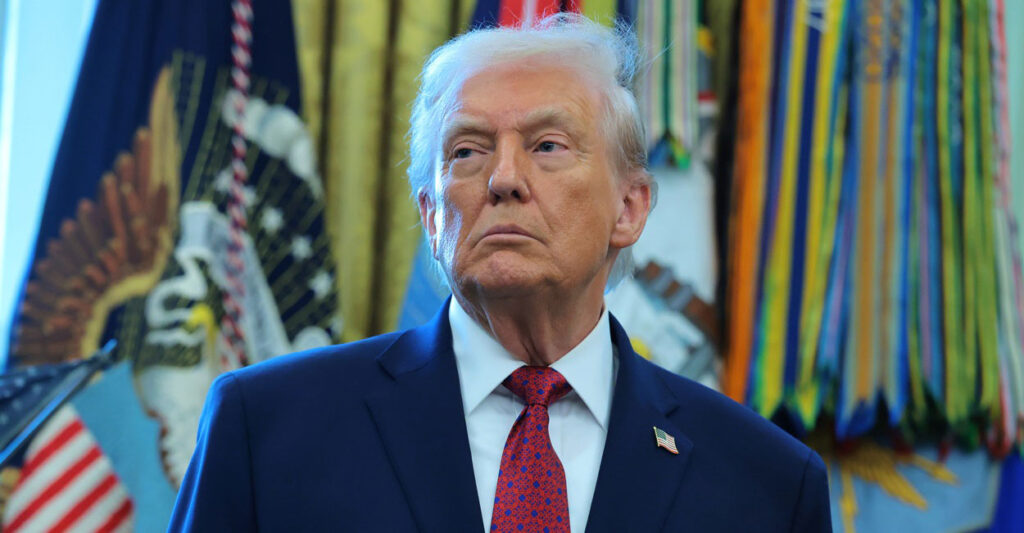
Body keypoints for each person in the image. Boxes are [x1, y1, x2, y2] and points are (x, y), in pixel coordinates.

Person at [168, 14, 832, 532]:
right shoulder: (268, 428)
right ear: (430, 213)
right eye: (467, 150)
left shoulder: (765, 480)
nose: (504, 178)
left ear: (630, 208)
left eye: (547, 145)